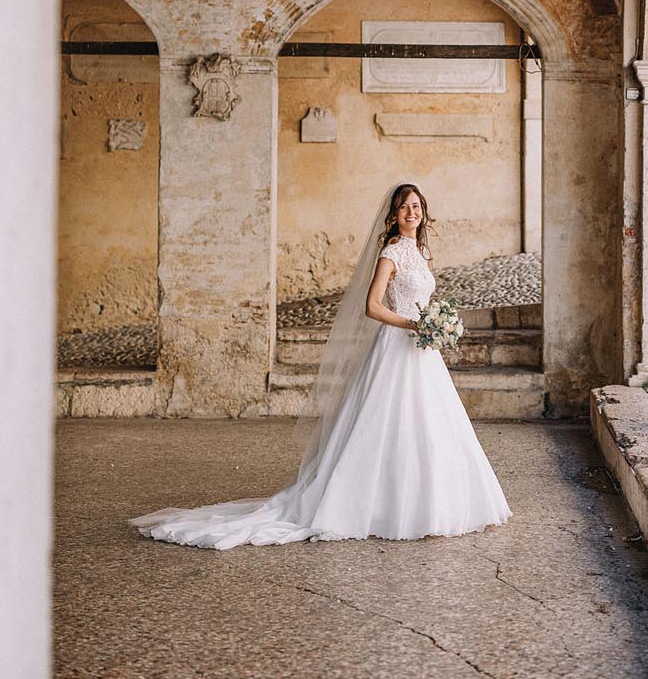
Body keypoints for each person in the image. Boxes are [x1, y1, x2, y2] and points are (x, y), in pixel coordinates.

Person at [129, 182, 512, 547]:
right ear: (393, 215)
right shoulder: (391, 252)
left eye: (417, 206)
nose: (411, 212)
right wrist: (415, 323)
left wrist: (435, 325)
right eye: (404, 207)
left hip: (422, 351)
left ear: (423, 213)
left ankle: (430, 505)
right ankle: (372, 506)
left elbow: (421, 299)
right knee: (383, 424)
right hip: (396, 345)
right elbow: (373, 306)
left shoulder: (421, 253)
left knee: (430, 423)